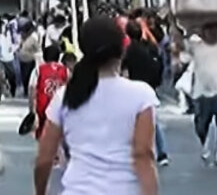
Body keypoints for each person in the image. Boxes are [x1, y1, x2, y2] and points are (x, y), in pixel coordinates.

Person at [34, 16, 158, 195]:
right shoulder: (141, 95)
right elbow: (143, 154)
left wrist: (40, 192)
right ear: (123, 49)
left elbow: (44, 159)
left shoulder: (65, 96)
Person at [176, 22, 217, 166]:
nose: (212, 33)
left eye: (216, 30)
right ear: (204, 32)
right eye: (209, 30)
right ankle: (205, 142)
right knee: (201, 125)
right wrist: (174, 23)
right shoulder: (196, 46)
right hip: (202, 92)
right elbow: (179, 42)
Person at [122, 20, 168, 166]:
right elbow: (160, 63)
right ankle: (162, 152)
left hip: (134, 87)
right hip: (150, 86)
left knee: (133, 120)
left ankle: (137, 150)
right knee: (153, 119)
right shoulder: (150, 47)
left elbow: (123, 69)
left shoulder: (129, 51)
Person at [29, 45, 69, 139]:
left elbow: (32, 89)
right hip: (59, 110)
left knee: (42, 137)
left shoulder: (38, 70)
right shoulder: (65, 71)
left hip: (42, 108)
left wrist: (32, 111)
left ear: (44, 57)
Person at [0, 21, 17, 99]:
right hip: (0, 59)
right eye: (1, 26)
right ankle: (1, 93)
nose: (3, 27)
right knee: (0, 77)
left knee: (12, 76)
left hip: (9, 58)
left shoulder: (11, 34)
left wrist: (13, 48)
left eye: (4, 26)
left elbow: (17, 43)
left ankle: (13, 90)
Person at [18, 21, 41, 96]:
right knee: (23, 76)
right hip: (22, 59)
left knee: (28, 76)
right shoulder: (22, 38)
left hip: (30, 60)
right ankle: (25, 90)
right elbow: (19, 47)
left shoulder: (33, 39)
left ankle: (28, 91)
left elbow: (38, 49)